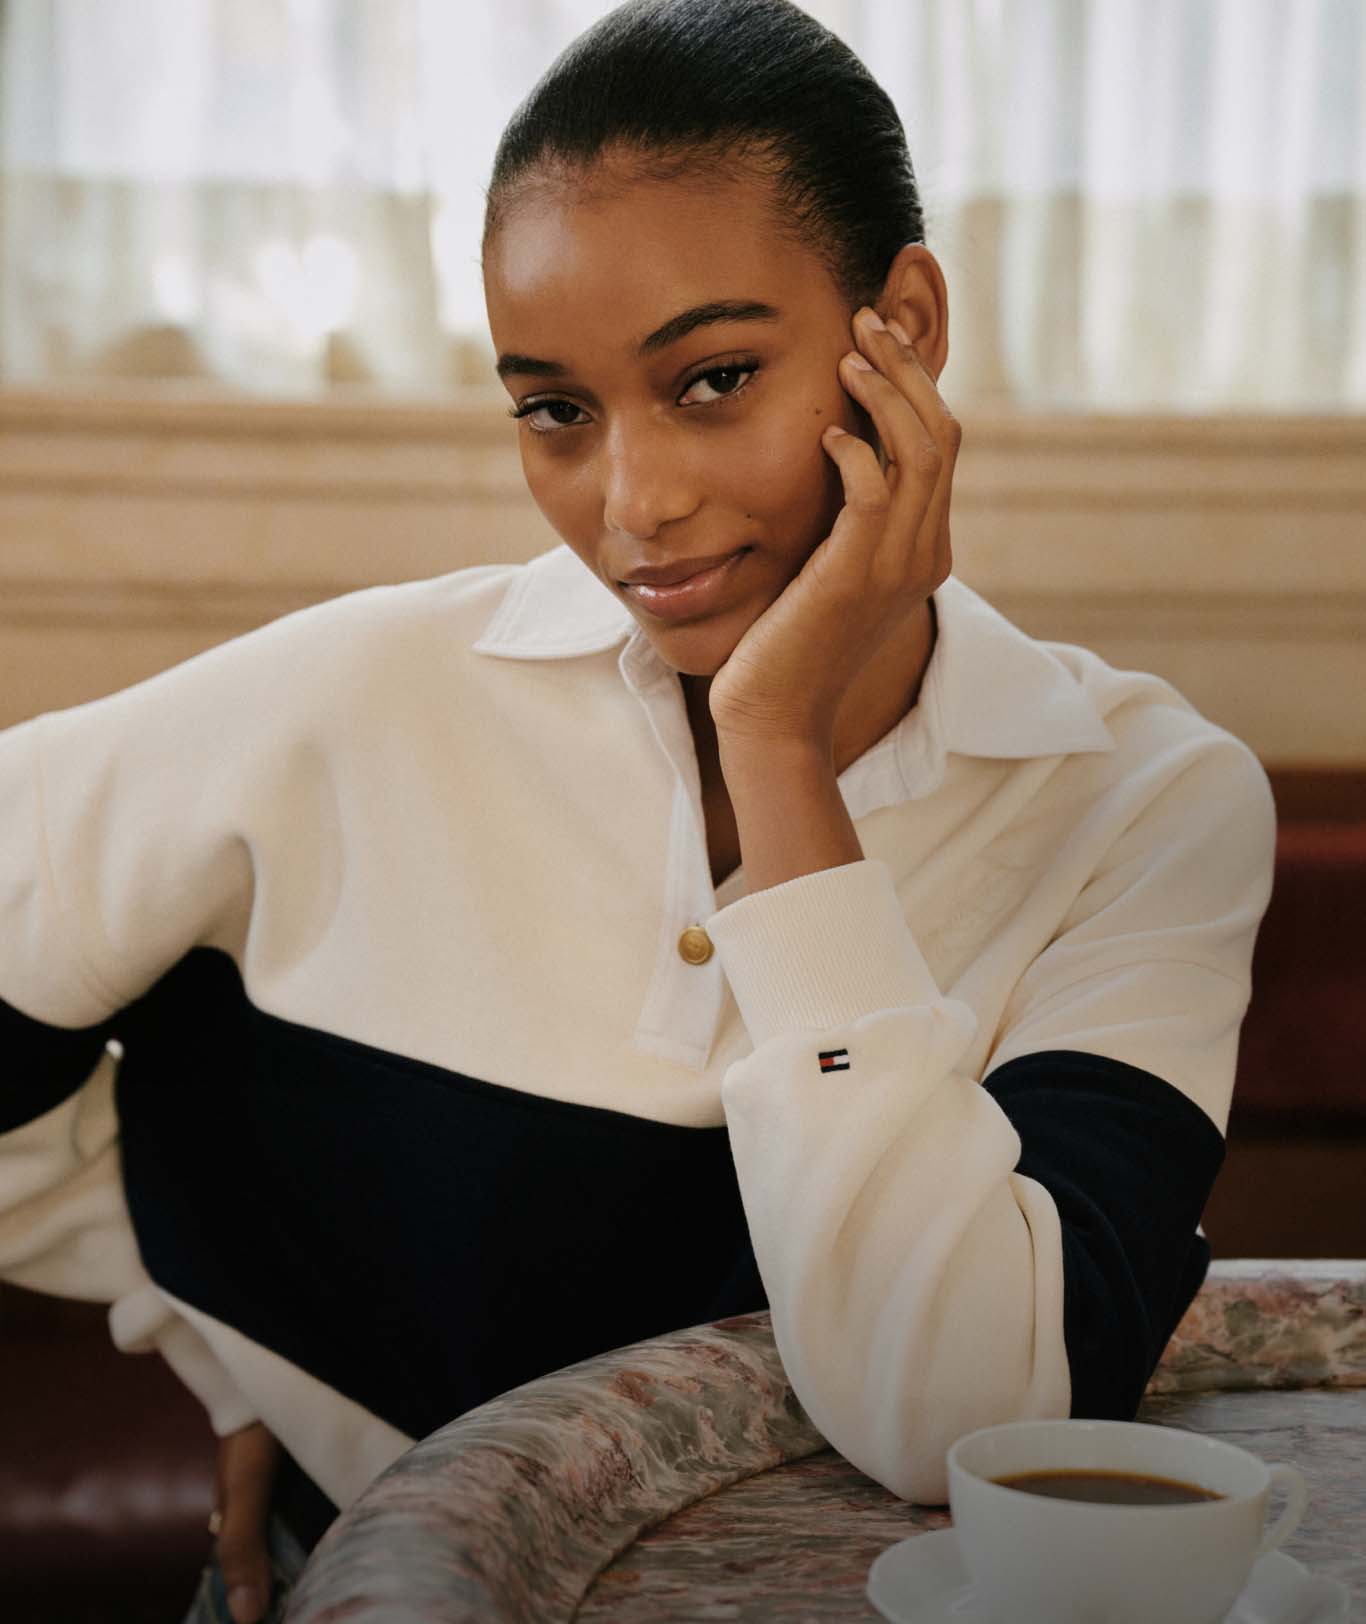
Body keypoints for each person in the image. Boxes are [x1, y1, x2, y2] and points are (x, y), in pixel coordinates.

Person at [0, 2, 1275, 1621]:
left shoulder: (1142, 804)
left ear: (907, 324)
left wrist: (778, 764)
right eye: (555, 410)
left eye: (713, 379)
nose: (631, 504)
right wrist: (213, 1330)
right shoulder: (348, 697)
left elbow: (968, 1420)